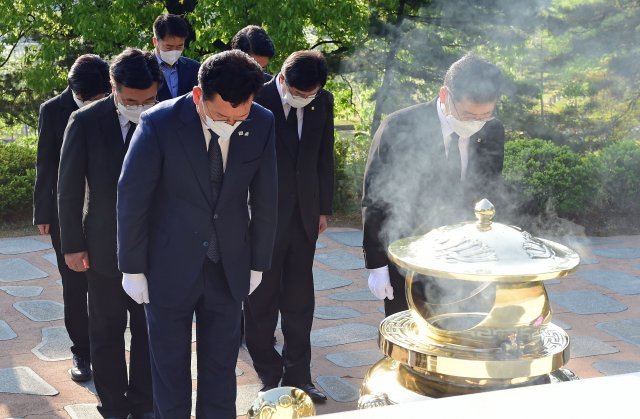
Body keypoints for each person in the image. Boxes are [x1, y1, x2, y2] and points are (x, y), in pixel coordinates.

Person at [117, 50, 277, 418]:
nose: (231, 125)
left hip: (229, 264)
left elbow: (268, 196)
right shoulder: (159, 122)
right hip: (167, 265)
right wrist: (132, 267)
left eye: (240, 117)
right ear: (197, 96)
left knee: (222, 369)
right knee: (170, 370)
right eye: (221, 116)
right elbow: (133, 196)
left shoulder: (263, 122)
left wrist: (258, 262)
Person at [57, 48, 161, 419]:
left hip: (155, 246)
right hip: (102, 246)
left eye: (149, 99)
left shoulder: (169, 116)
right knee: (106, 331)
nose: (141, 107)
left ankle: (145, 403)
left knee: (151, 332)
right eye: (131, 100)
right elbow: (68, 188)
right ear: (113, 87)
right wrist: (72, 245)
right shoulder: (84, 121)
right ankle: (114, 405)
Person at [362, 53, 505, 316]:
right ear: (444, 95)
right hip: (408, 253)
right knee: (410, 339)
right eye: (468, 114)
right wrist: (377, 265)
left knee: (462, 335)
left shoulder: (492, 130)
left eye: (484, 115)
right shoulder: (399, 126)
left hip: (464, 257)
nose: (475, 123)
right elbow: (376, 197)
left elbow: (488, 192)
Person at [244, 50, 334, 402]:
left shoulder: (322, 101)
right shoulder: (257, 98)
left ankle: (301, 376)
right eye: (297, 93)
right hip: (262, 217)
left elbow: (324, 155)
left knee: (300, 300)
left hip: (303, 217)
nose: (302, 99)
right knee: (261, 300)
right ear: (282, 78)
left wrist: (322, 207)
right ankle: (270, 374)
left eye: (309, 94)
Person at [33, 54, 110, 383]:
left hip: (104, 211)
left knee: (105, 286)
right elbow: (45, 162)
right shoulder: (53, 110)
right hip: (66, 211)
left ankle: (106, 349)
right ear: (74, 90)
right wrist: (42, 211)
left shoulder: (112, 105)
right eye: (91, 99)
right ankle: (81, 351)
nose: (98, 103)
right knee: (74, 287)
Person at [153, 13, 200, 102]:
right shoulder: (142, 68)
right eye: (168, 47)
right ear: (155, 42)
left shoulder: (195, 68)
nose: (174, 51)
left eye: (179, 47)